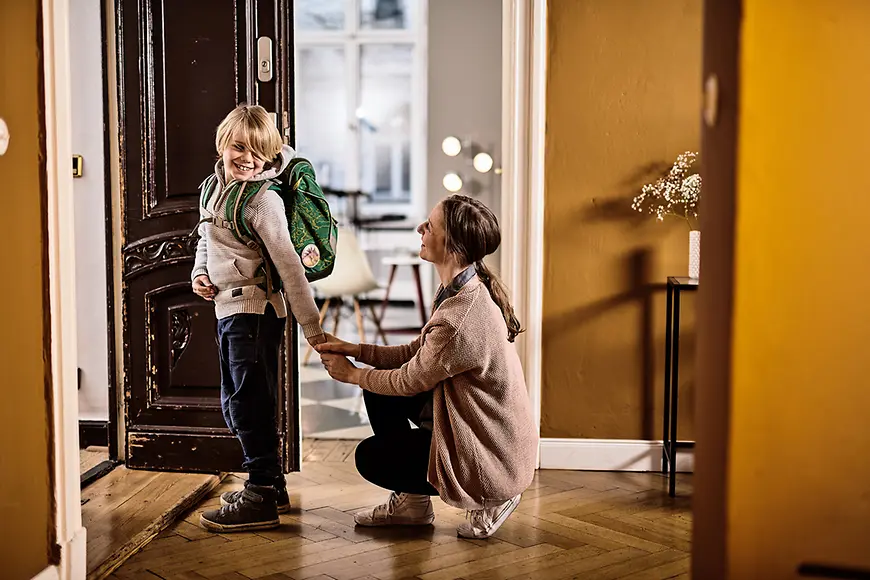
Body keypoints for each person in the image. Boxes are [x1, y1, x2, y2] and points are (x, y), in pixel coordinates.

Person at [315, 195, 538, 539]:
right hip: (487, 435)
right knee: (377, 392)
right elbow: (416, 354)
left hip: (493, 458)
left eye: (430, 225)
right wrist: (355, 349)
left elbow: (408, 380)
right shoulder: (460, 289)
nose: (420, 228)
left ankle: (493, 496)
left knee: (372, 458)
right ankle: (413, 506)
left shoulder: (460, 316)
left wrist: (352, 373)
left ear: (451, 245)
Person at [191, 104, 326, 532]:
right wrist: (199, 272)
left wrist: (314, 330)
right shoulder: (213, 187)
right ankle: (272, 487)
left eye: (258, 151)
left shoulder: (263, 201)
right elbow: (205, 237)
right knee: (241, 399)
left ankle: (261, 494)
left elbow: (290, 267)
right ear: (222, 144)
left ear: (269, 155)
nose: (247, 158)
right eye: (239, 147)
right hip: (229, 310)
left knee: (248, 402)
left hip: (255, 312)